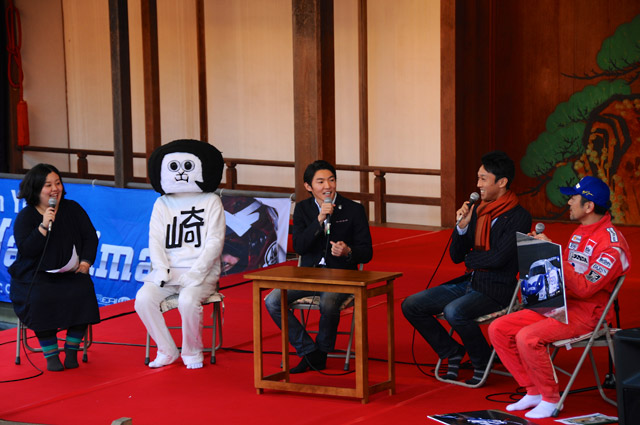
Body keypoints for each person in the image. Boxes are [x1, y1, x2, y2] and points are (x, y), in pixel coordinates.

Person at [488, 176, 631, 419]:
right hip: (561, 302)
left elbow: (585, 288)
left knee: (527, 337)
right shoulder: (580, 231)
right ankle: (533, 390)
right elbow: (568, 271)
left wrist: (552, 254)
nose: (568, 203)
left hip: (589, 313)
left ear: (589, 206)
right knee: (498, 329)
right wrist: (542, 252)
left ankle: (551, 398)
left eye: (573, 198)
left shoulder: (612, 245)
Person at [402, 150, 532, 385]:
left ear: (502, 182)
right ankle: (452, 351)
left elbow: (499, 259)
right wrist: (461, 227)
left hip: (498, 288)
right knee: (411, 305)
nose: (478, 185)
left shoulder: (519, 216)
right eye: (478, 178)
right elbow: (455, 256)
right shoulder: (478, 211)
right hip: (470, 282)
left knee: (454, 312)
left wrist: (471, 260)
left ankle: (482, 360)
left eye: (483, 179)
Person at [264, 160, 373, 373]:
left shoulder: (354, 209)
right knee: (273, 301)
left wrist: (348, 251)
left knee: (329, 302)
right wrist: (320, 219)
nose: (327, 186)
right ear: (308, 186)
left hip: (341, 275)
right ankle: (308, 350)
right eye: (320, 181)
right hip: (308, 274)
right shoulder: (303, 209)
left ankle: (321, 352)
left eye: (331, 180)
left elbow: (367, 252)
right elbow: (300, 247)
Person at [135, 139, 225, 370]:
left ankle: (192, 352)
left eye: (187, 166)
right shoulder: (162, 202)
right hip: (167, 272)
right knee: (143, 300)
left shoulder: (212, 201)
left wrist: (196, 273)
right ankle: (166, 349)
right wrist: (161, 268)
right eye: (174, 167)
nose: (181, 173)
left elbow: (215, 242)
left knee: (187, 301)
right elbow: (155, 240)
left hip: (201, 272)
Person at [9, 164, 100, 372]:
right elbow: (27, 250)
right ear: (36, 189)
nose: (55, 189)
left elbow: (90, 237)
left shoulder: (72, 209)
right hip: (34, 275)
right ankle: (51, 355)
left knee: (84, 291)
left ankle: (71, 349)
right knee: (40, 298)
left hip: (70, 272)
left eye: (57, 183)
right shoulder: (26, 217)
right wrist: (43, 226)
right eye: (48, 185)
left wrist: (85, 263)